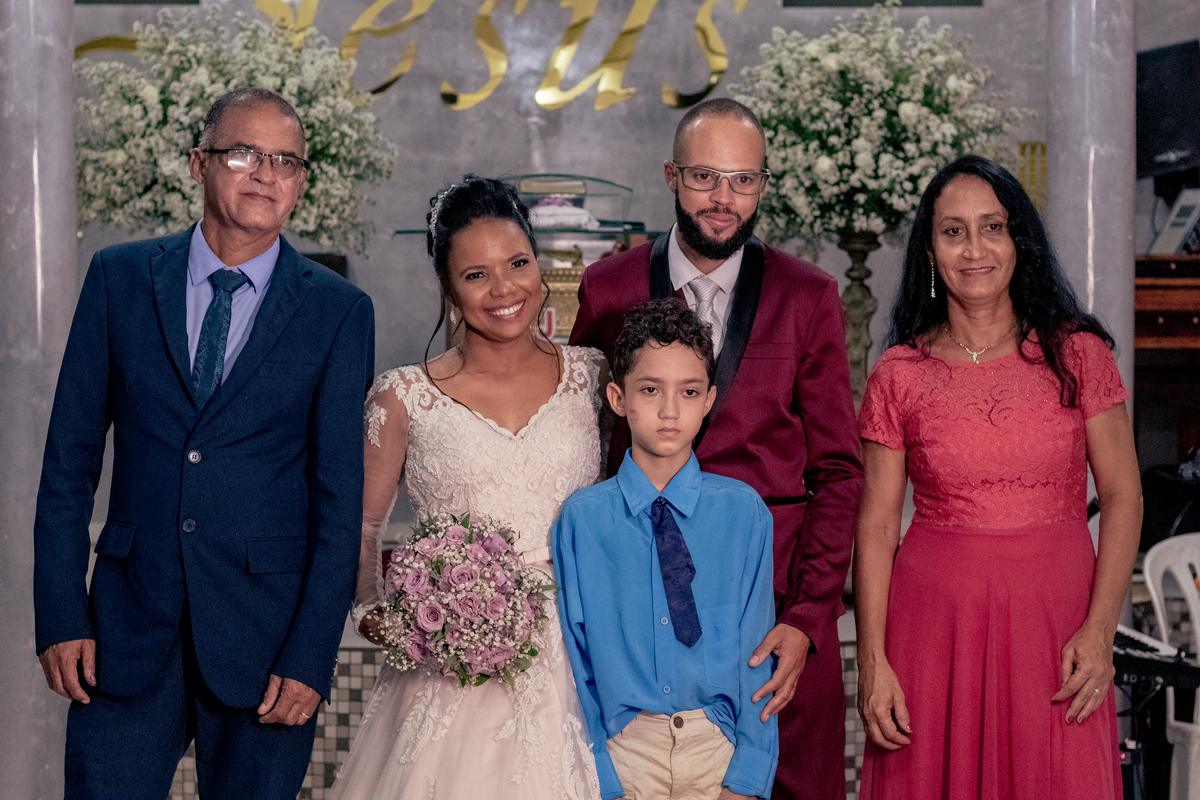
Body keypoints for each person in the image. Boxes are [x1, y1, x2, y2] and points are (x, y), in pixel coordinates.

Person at [33, 88, 376, 799]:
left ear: (301, 182)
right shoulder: (120, 278)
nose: (266, 175)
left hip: (266, 641)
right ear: (199, 163)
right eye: (245, 153)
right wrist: (60, 614)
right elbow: (68, 465)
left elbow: (339, 502)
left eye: (286, 161)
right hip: (125, 629)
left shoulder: (337, 310)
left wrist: (313, 655)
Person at [569, 97, 863, 800]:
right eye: (704, 177)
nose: (723, 199)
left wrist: (806, 618)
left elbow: (839, 472)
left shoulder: (808, 296)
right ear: (672, 175)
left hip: (775, 605)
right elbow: (580, 440)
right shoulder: (608, 288)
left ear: (763, 184)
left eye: (743, 180)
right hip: (640, 611)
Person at [853, 154, 1142, 799]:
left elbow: (1124, 497)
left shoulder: (1077, 355)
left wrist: (1101, 630)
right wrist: (873, 661)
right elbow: (875, 526)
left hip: (1057, 627)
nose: (974, 249)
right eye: (953, 231)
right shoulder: (898, 374)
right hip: (933, 632)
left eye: (992, 227)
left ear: (1019, 241)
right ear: (930, 250)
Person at [328, 176, 603, 799]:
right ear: (448, 288)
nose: (504, 289)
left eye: (518, 263)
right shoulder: (402, 396)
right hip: (449, 667)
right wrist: (388, 621)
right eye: (476, 275)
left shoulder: (592, 376)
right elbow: (362, 530)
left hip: (582, 652)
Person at [555, 298, 779, 800]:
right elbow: (574, 660)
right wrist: (602, 775)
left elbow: (756, 653)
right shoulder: (583, 521)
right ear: (618, 398)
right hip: (625, 750)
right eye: (650, 389)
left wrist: (748, 775)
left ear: (709, 400)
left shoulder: (743, 514)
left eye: (689, 391)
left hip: (716, 747)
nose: (670, 410)